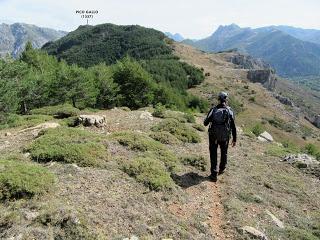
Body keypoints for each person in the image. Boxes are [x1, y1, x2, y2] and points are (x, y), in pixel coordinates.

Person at [204, 92, 237, 182]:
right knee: (224, 152)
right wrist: (234, 139)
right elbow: (233, 126)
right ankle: (222, 168)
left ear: (218, 99)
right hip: (225, 137)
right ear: (226, 100)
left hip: (213, 136)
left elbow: (205, 123)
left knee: (213, 153)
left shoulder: (213, 109)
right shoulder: (230, 111)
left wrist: (210, 119)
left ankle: (214, 175)